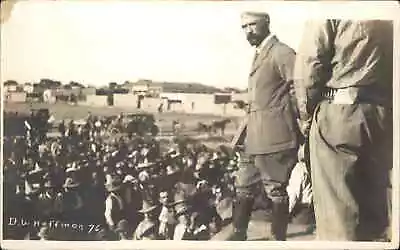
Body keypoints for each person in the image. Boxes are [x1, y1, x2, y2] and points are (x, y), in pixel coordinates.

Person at [293, 20, 393, 241]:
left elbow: (310, 68)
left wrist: (306, 117)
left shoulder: (329, 10)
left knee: (337, 222)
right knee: (374, 219)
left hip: (340, 113)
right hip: (383, 115)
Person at [227, 12, 300, 241]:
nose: (248, 31)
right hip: (252, 136)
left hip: (274, 135)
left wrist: (292, 119)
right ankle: (238, 235)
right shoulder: (260, 54)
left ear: (266, 24)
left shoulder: (282, 52)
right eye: (244, 27)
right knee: (243, 185)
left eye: (252, 25)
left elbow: (301, 87)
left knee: (275, 190)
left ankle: (278, 240)